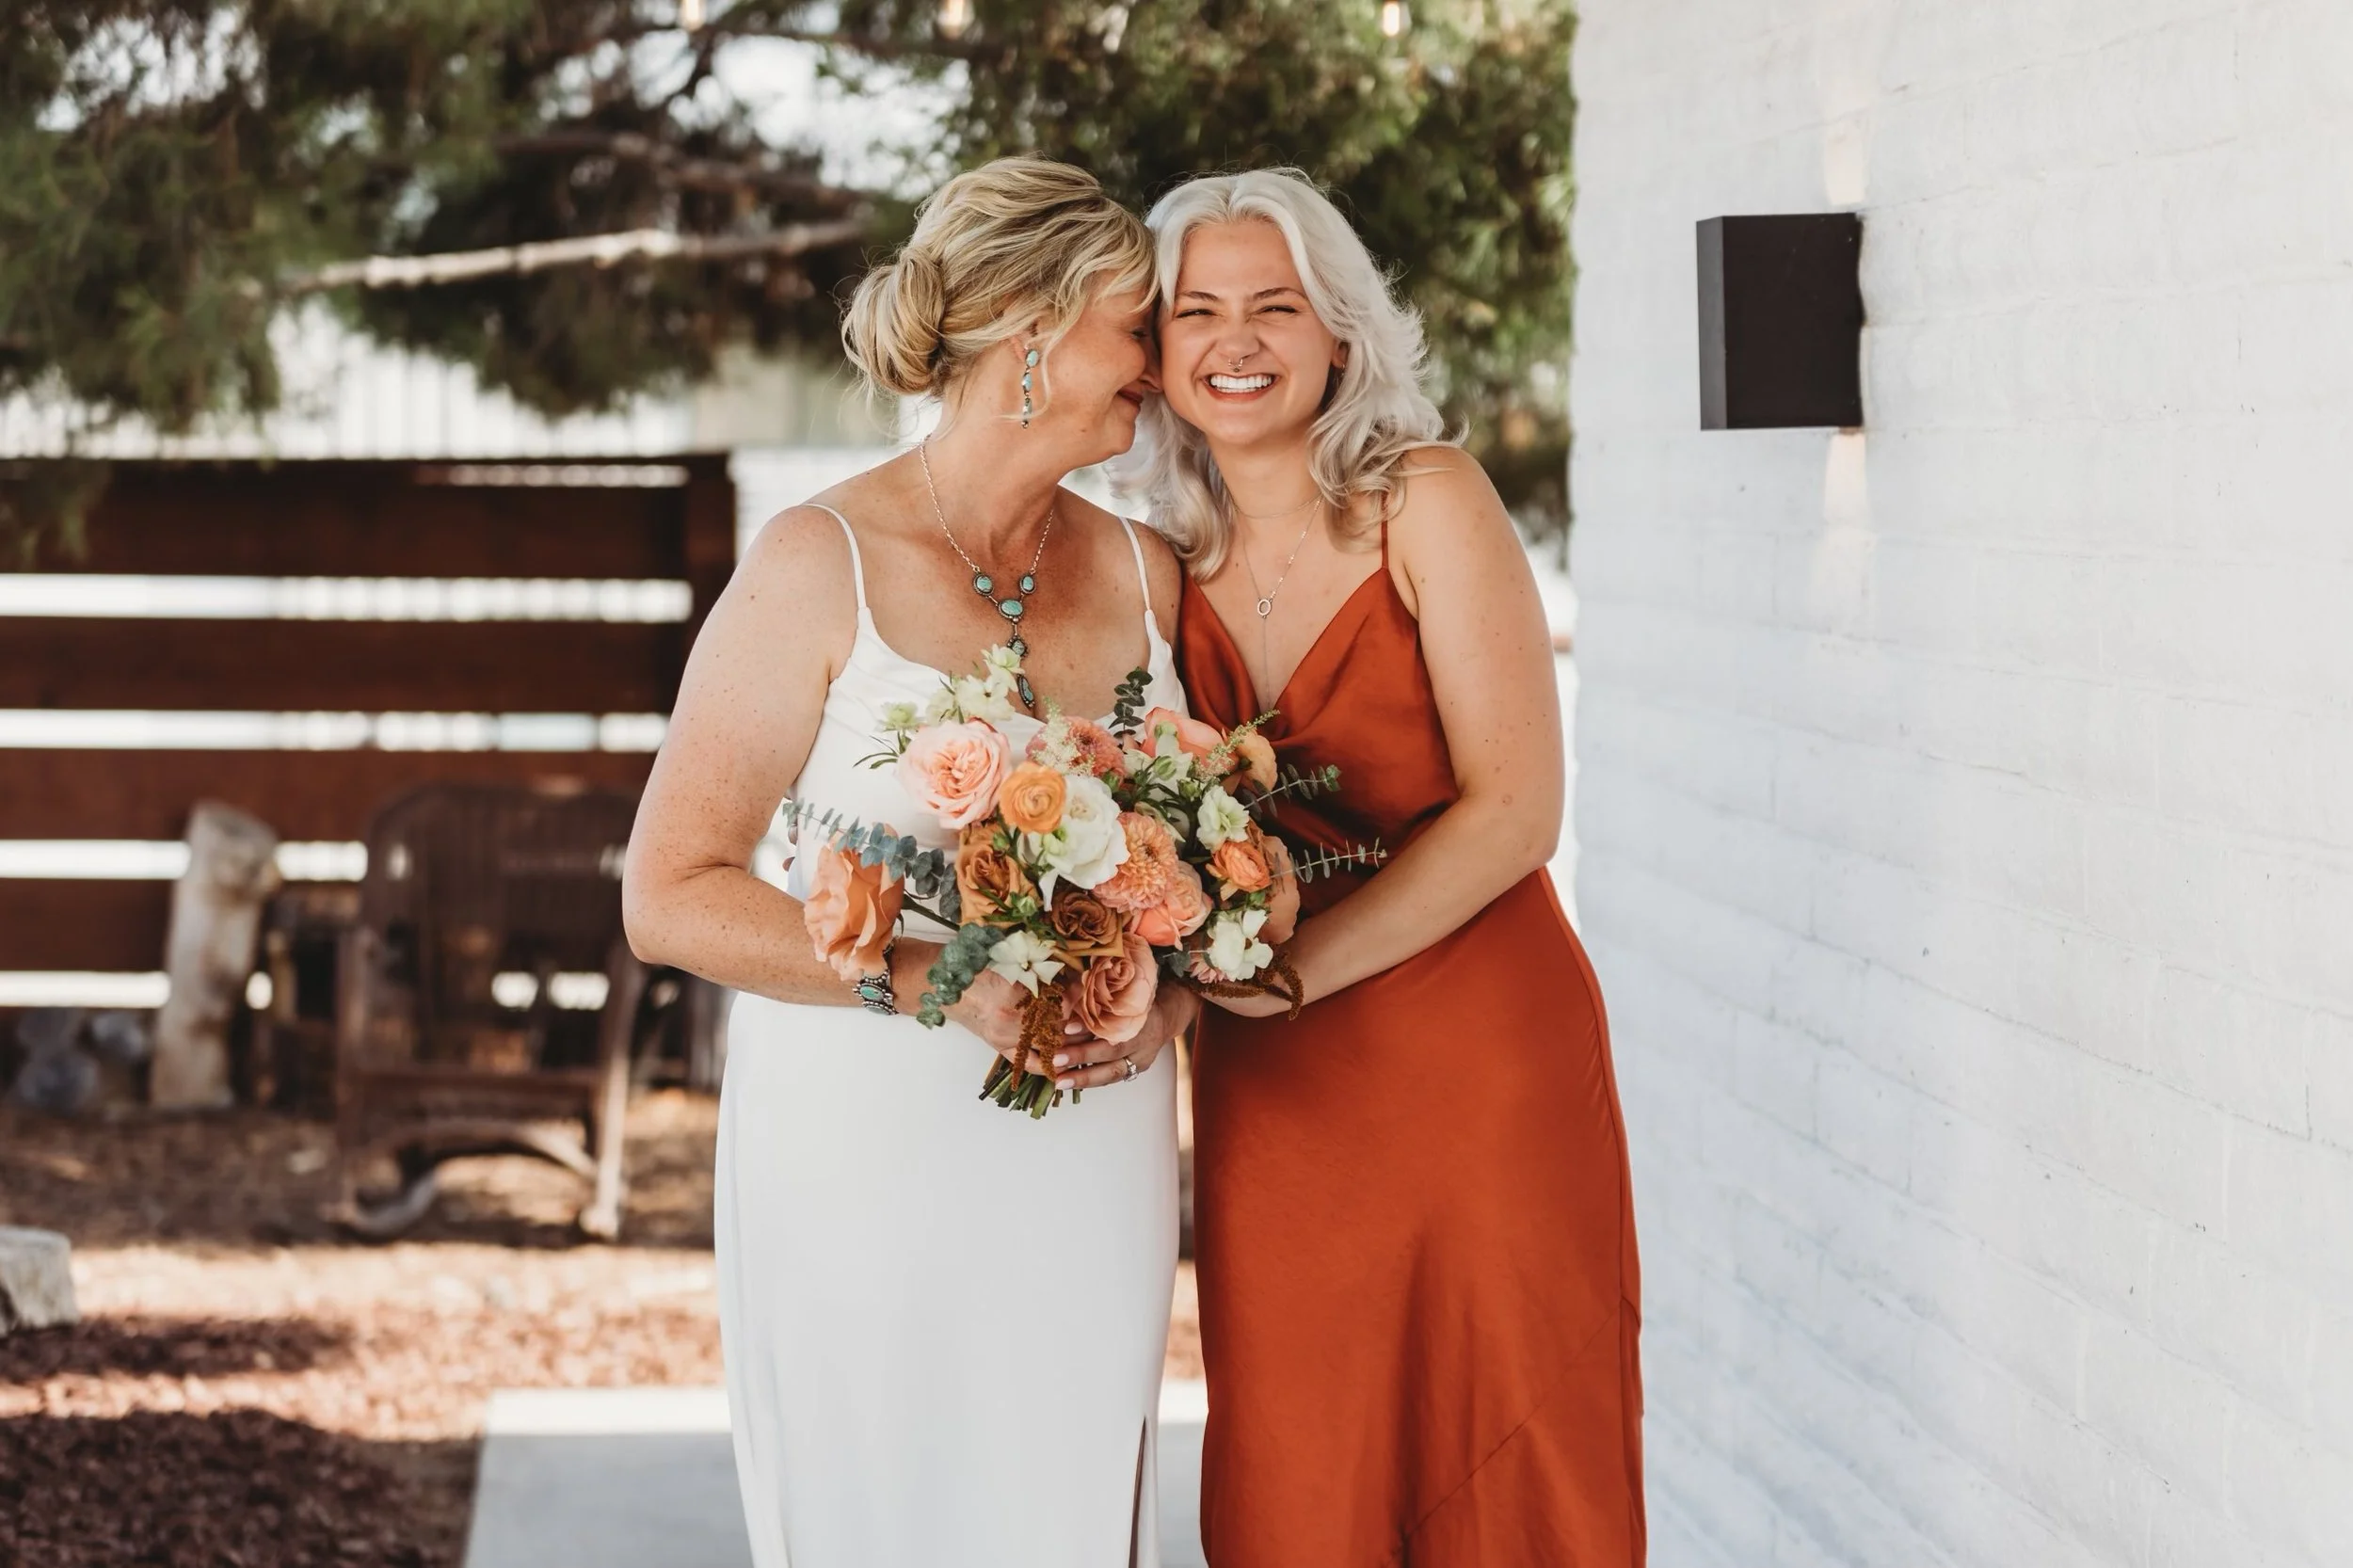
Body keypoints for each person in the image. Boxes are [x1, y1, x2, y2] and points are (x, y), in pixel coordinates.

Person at [622, 156, 1198, 1568]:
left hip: (1092, 1140)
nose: (1163, 365)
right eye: (1141, 327)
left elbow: (1204, 867)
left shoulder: (1150, 572)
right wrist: (938, 977)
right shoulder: (817, 564)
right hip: (861, 1136)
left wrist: (1166, 997)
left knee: (1066, 1508)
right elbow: (671, 890)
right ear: (1035, 331)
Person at [1128, 168, 1644, 1564]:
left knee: (1510, 1447)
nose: (1238, 341)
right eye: (1199, 311)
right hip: (1277, 1088)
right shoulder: (1150, 556)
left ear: (1341, 332)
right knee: (1306, 1452)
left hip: (1478, 1049)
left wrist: (1291, 972)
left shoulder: (1425, 496)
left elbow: (1517, 808)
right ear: (1158, 351)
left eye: (1275, 306)